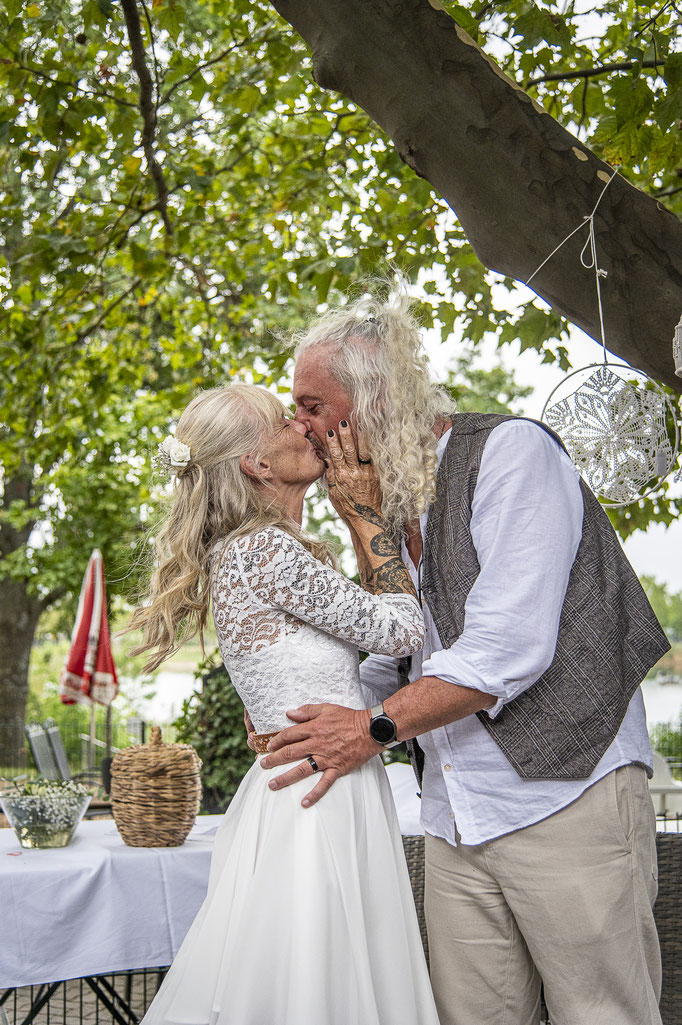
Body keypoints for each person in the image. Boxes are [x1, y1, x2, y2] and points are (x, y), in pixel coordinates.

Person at [259, 293, 671, 1025]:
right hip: (455, 817)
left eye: (312, 404)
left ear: (376, 397)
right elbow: (391, 658)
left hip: (565, 794)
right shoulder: (383, 504)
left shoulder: (511, 452)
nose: (301, 427)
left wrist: (370, 730)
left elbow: (503, 650)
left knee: (603, 1014)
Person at [129, 383, 441, 1025]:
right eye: (284, 421)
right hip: (321, 799)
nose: (306, 427)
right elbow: (402, 630)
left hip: (300, 783)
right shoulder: (266, 549)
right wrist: (367, 517)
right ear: (258, 465)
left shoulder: (238, 552)